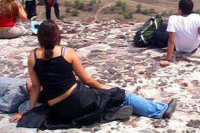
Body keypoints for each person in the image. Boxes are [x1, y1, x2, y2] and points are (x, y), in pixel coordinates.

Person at [13, 20, 176, 129]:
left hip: (60, 110)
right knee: (120, 95)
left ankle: (108, 114)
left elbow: (35, 87)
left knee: (97, 99)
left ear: (39, 37)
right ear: (57, 35)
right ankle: (160, 110)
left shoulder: (32, 56)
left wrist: (31, 111)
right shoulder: (66, 52)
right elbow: (87, 80)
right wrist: (107, 88)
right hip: (79, 100)